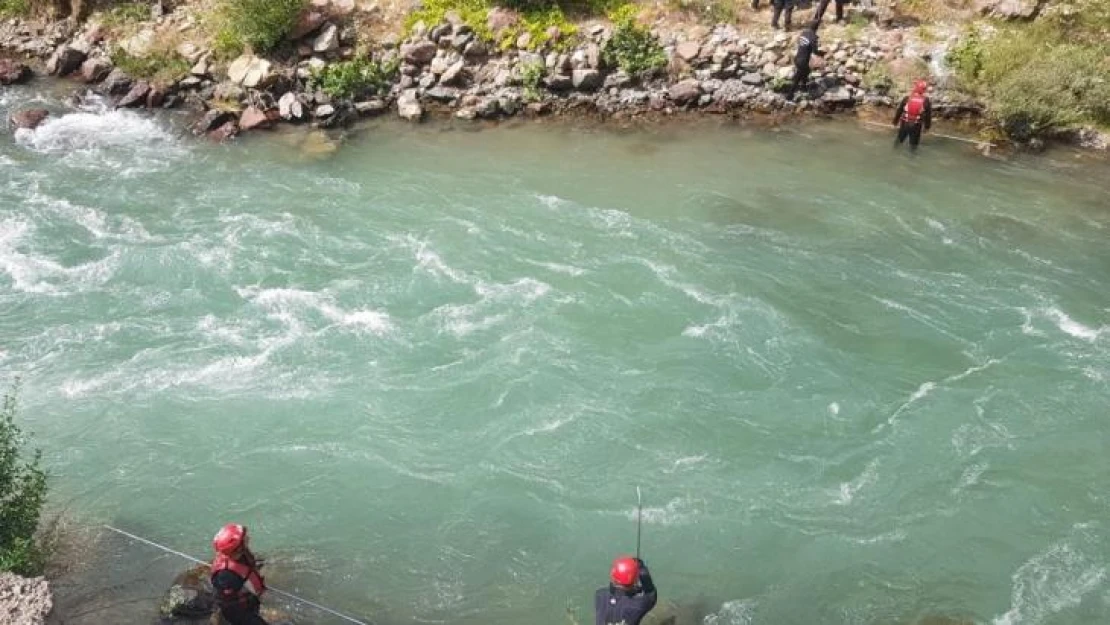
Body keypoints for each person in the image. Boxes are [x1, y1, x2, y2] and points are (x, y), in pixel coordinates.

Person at [210, 523, 270, 625]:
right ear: (238, 548)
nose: (248, 537)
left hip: (247, 599)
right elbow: (228, 601)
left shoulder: (239, 554)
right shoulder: (226, 576)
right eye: (245, 538)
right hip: (236, 610)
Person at [595, 557, 657, 625]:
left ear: (612, 575)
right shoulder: (638, 605)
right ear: (635, 580)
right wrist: (642, 569)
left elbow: (617, 597)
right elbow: (651, 594)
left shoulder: (600, 595)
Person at [786, 20, 823, 100]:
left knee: (806, 71)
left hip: (797, 58)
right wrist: (822, 53)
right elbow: (815, 52)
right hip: (803, 61)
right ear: (817, 28)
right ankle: (789, 96)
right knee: (797, 79)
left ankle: (803, 87)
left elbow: (800, 43)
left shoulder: (804, 33)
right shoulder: (813, 38)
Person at [893, 79, 933, 151]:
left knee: (898, 142)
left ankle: (894, 151)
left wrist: (895, 122)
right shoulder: (926, 100)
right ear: (924, 90)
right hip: (916, 126)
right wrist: (927, 127)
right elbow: (928, 116)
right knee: (913, 146)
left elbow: (899, 111)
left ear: (915, 88)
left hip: (904, 124)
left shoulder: (907, 98)